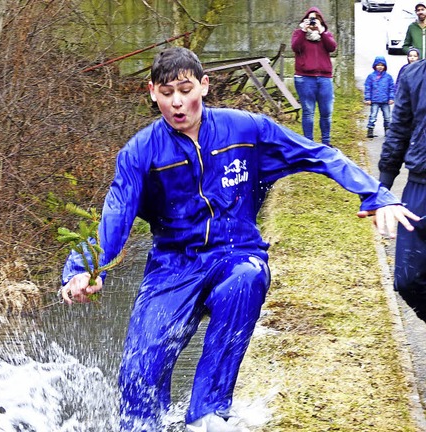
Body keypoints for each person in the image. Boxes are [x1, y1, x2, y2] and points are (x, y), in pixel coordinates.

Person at [60, 47, 418, 432]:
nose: (178, 102)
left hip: (237, 254)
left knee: (247, 278)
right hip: (173, 264)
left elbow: (318, 155)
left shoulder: (245, 130)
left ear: (204, 85)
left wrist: (375, 194)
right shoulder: (140, 152)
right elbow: (115, 217)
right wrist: (83, 269)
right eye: (167, 93)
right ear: (152, 92)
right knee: (139, 373)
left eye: (185, 89)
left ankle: (207, 414)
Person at [379, 53, 426, 321]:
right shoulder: (413, 75)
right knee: (408, 280)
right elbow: (398, 131)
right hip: (419, 188)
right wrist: (380, 191)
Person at [291, 7, 337, 146]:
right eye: (310, 19)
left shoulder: (325, 35)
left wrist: (322, 32)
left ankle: (326, 142)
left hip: (324, 78)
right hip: (305, 78)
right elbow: (295, 47)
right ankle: (309, 143)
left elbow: (332, 47)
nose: (312, 22)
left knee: (326, 112)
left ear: (320, 21)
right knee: (308, 112)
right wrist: (303, 31)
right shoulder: (298, 34)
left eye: (315, 19)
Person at [364, 56, 395, 138]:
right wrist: (368, 98)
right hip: (375, 100)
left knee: (387, 117)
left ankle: (387, 130)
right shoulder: (371, 77)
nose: (380, 67)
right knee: (373, 116)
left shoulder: (388, 77)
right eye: (378, 65)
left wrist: (391, 98)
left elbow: (392, 88)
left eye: (382, 65)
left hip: (385, 101)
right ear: (375, 66)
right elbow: (368, 88)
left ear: (385, 66)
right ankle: (370, 129)